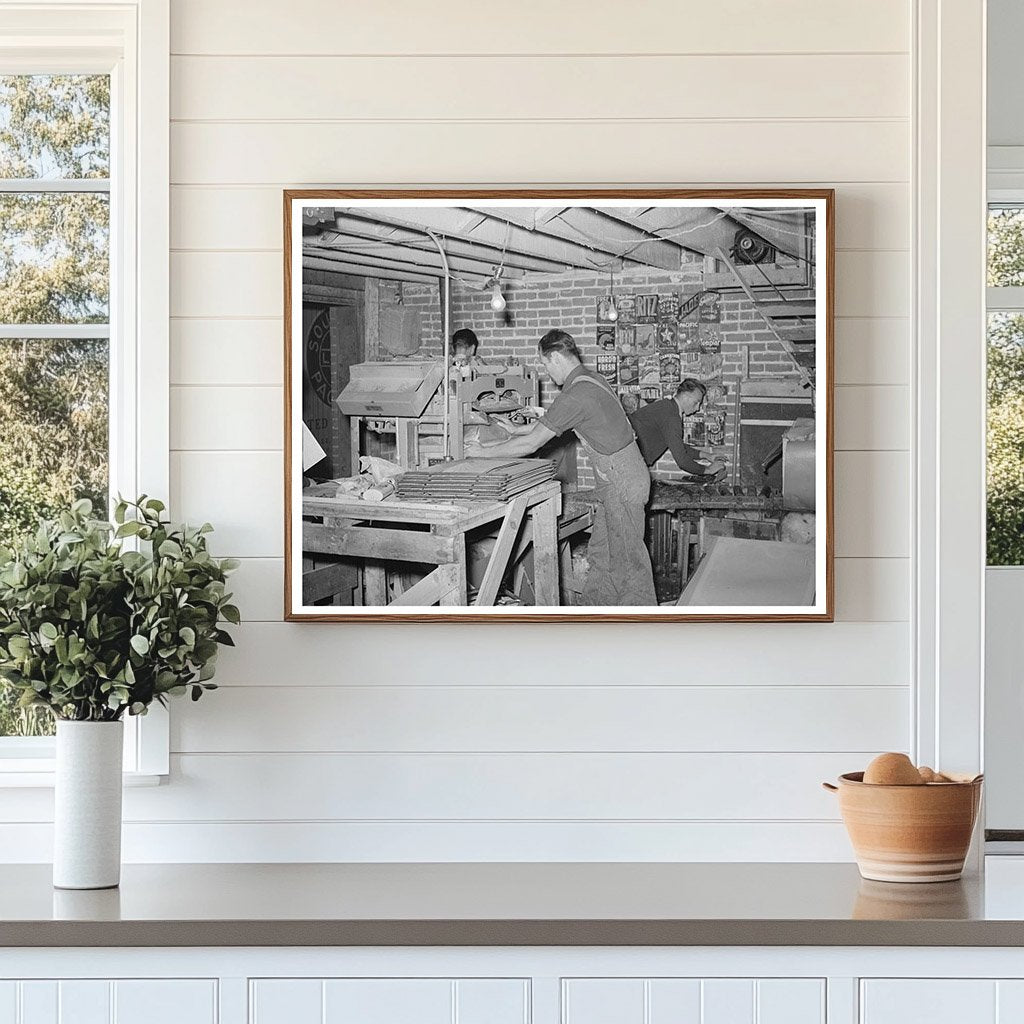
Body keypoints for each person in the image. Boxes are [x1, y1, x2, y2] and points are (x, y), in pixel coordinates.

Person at [465, 329, 658, 607]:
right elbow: (545, 427)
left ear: (555, 357)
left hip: (622, 482)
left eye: (544, 364)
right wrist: (514, 429)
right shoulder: (590, 380)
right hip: (619, 478)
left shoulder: (577, 394)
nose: (546, 371)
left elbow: (532, 444)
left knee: (629, 563)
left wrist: (481, 453)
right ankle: (595, 616)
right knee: (603, 553)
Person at [629, 379, 726, 476]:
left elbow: (677, 445)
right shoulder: (672, 416)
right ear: (684, 396)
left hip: (628, 458)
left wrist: (706, 455)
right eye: (696, 402)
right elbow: (682, 461)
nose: (697, 408)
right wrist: (708, 470)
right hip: (627, 460)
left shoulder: (668, 407)